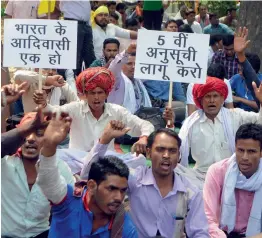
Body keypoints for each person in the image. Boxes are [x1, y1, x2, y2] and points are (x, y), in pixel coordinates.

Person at [81, 122, 210, 237]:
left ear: (179, 156)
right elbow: (88, 176)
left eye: (172, 151)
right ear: (148, 153)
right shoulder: (135, 179)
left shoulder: (190, 192)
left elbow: (200, 232)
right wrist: (105, 140)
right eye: (160, 150)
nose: (166, 155)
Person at [36, 113, 138, 237]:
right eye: (111, 189)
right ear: (91, 186)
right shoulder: (68, 199)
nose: (118, 197)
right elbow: (47, 180)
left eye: (123, 191)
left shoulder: (124, 227)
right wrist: (50, 145)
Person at [34, 67, 154, 153]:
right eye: (92, 93)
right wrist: (43, 103)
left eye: (100, 93)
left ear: (106, 94)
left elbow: (145, 125)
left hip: (105, 163)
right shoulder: (75, 108)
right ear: (85, 94)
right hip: (77, 161)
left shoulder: (117, 111)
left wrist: (143, 138)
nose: (96, 97)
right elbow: (53, 112)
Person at [1, 109, 75, 238]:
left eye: (39, 134)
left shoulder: (60, 168)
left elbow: (72, 207)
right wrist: (2, 101)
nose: (30, 139)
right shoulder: (4, 163)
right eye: (26, 133)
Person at [203, 123, 262, 238]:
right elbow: (208, 217)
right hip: (221, 234)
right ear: (234, 148)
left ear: (261, 153)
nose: (245, 157)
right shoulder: (217, 171)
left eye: (251, 151)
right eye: (240, 150)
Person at [108, 44, 152, 114]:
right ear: (122, 65)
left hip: (141, 120)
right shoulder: (117, 80)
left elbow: (153, 69)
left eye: (135, 64)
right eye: (129, 64)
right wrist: (126, 52)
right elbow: (113, 68)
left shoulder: (138, 80)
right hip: (121, 122)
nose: (133, 67)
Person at [14, 70, 78, 113]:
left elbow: (77, 105)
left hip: (54, 129)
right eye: (45, 68)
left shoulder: (61, 85)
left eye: (53, 69)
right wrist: (46, 80)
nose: (50, 72)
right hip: (31, 130)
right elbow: (17, 75)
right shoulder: (29, 84)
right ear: (36, 69)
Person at [59, 0, 95, 76]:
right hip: (73, 23)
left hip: (86, 24)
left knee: (89, 55)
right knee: (74, 56)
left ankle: (92, 79)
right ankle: (70, 80)